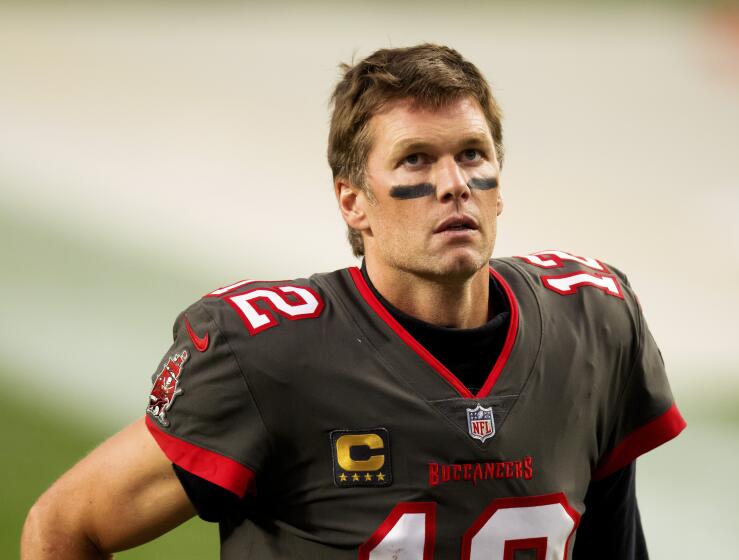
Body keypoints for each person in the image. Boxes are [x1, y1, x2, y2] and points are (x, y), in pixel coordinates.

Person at [22, 43, 685, 559]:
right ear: (353, 201)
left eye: (472, 155)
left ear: (499, 184)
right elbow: (65, 525)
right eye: (415, 161)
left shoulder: (592, 321)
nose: (453, 184)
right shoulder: (270, 354)